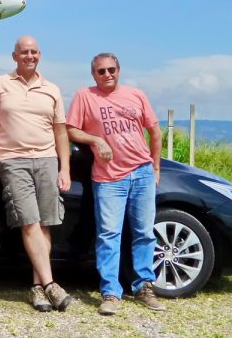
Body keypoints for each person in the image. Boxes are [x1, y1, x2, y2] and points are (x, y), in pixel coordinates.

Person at [65, 52, 165, 316]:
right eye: (101, 71)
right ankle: (110, 292)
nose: (107, 74)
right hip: (109, 178)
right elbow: (71, 129)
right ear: (93, 74)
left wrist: (155, 167)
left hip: (141, 172)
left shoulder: (136, 94)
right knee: (109, 235)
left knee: (144, 233)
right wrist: (96, 140)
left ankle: (144, 287)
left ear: (119, 70)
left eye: (111, 70)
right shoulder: (85, 96)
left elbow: (155, 131)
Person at [0, 35, 73, 312]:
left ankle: (38, 288)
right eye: (24, 52)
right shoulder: (0, 84)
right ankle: (52, 284)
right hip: (13, 160)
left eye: (33, 52)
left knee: (44, 225)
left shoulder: (52, 89)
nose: (29, 56)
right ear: (14, 56)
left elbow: (60, 131)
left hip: (47, 160)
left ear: (39, 55)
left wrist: (65, 168)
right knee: (29, 222)